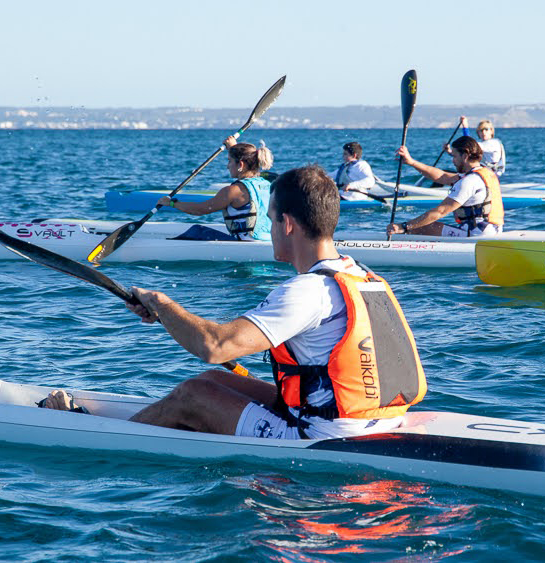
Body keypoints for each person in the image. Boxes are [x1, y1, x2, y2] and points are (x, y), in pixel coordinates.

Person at [44, 165, 427, 440]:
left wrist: (161, 302)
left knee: (193, 396)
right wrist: (169, 316)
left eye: (273, 220)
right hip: (378, 419)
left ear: (288, 224)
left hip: (322, 434)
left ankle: (104, 436)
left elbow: (215, 345)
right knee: (213, 381)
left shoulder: (307, 290)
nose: (272, 230)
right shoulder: (362, 276)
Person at [157, 136, 274, 241]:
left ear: (241, 165)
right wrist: (234, 148)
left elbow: (200, 210)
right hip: (268, 240)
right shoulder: (268, 185)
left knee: (197, 230)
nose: (227, 166)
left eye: (229, 161)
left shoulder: (233, 191)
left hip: (246, 244)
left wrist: (172, 203)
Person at [387, 136, 504, 238]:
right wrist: (412, 162)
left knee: (421, 226)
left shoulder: (469, 181)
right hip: (493, 230)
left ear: (465, 156)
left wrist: (403, 227)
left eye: (454, 156)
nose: (453, 161)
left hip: (476, 234)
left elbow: (440, 212)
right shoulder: (484, 173)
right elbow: (442, 176)